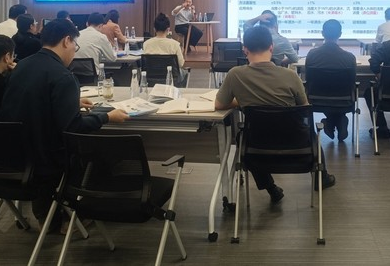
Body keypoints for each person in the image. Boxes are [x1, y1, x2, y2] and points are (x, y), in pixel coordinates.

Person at [0, 19, 129, 231]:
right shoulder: (62, 76)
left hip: (11, 153)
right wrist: (107, 117)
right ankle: (73, 218)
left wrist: (70, 102)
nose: (74, 51)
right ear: (67, 40)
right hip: (45, 160)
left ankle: (46, 215)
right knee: (106, 155)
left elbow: (32, 101)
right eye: (75, 45)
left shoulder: (22, 66)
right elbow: (73, 128)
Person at [215, 26, 335, 203]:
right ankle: (321, 177)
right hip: (297, 145)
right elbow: (304, 108)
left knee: (245, 137)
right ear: (271, 47)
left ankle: (270, 187)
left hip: (257, 148)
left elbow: (219, 104)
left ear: (245, 49)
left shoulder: (235, 75)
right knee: (312, 135)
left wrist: (242, 102)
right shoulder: (290, 76)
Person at [305, 19, 356, 141]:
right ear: (340, 34)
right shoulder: (349, 58)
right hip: (344, 100)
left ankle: (331, 122)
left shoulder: (312, 55)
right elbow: (352, 82)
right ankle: (338, 120)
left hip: (316, 100)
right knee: (335, 95)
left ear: (322, 33)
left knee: (327, 95)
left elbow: (308, 79)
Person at [142, 13, 189, 87]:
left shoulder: (146, 44)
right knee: (184, 71)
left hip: (151, 80)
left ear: (154, 29)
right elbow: (181, 64)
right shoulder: (175, 44)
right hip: (171, 80)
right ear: (168, 29)